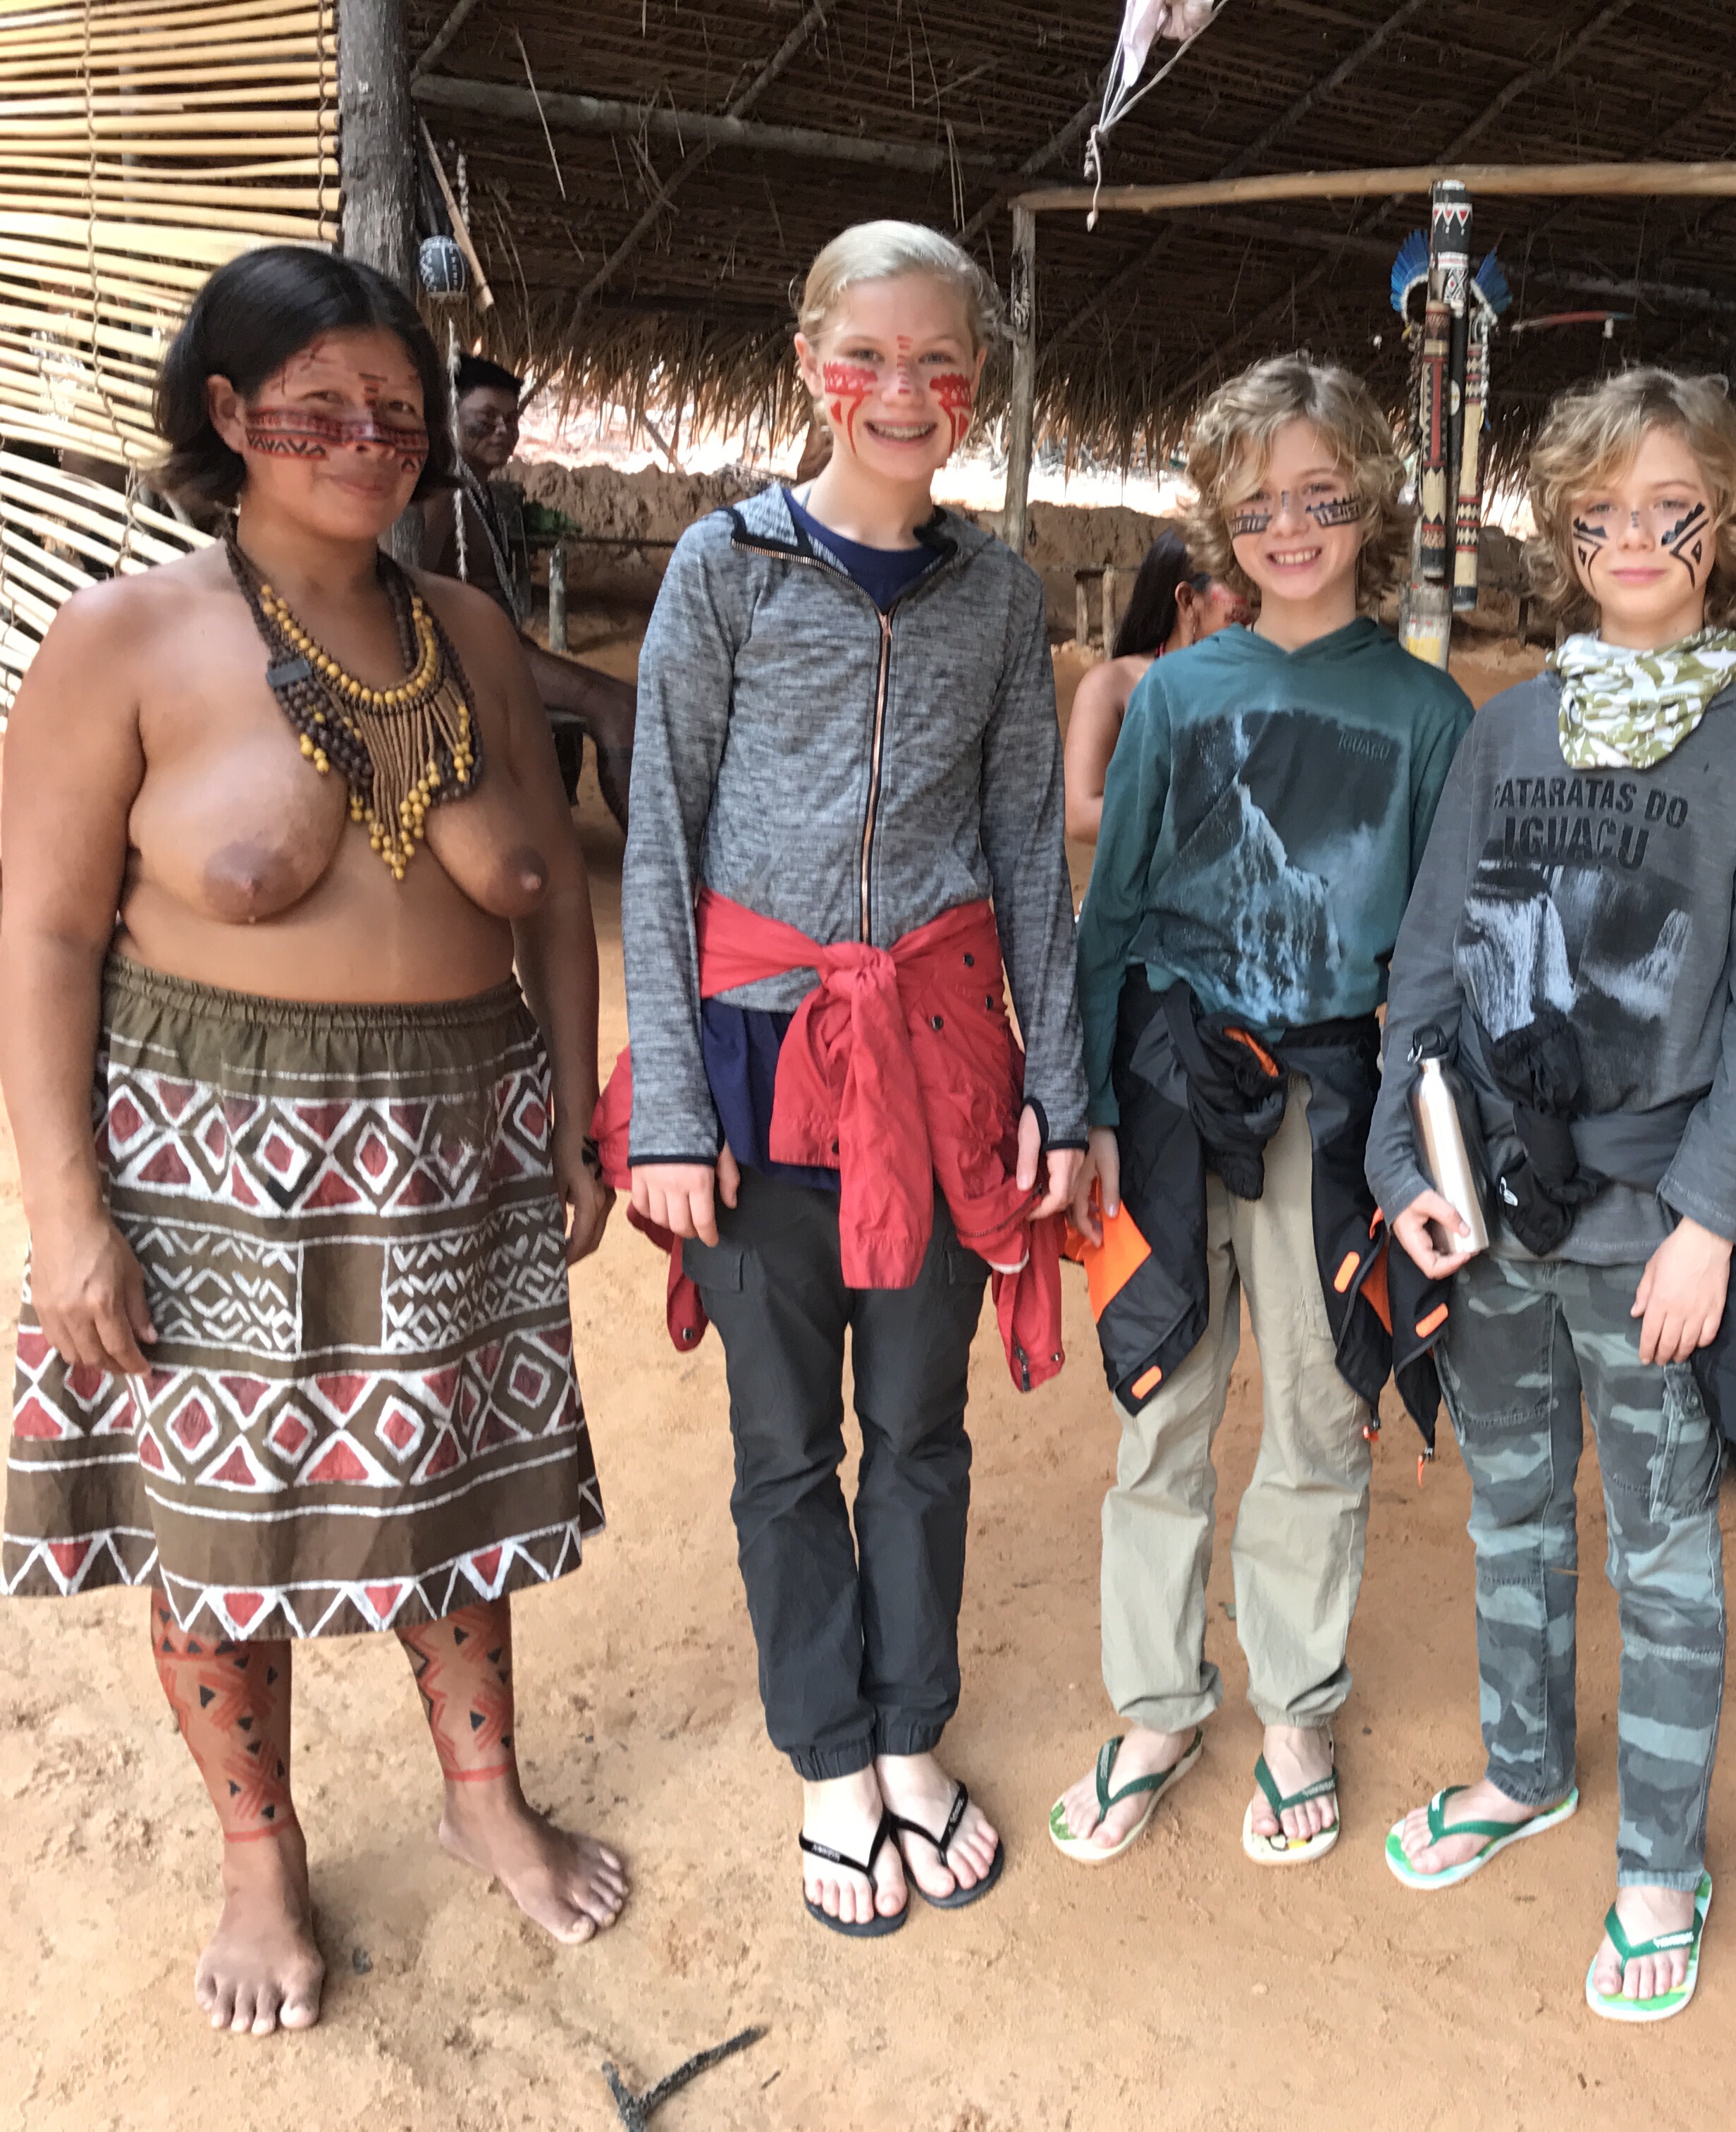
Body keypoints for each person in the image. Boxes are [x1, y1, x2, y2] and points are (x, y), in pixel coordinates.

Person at [0, 245, 623, 2036]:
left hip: (458, 1142)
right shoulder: (125, 640)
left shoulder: (473, 636)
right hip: (208, 1154)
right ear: (226, 415)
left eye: (396, 413)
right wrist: (66, 1211)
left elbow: (552, 909)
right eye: (317, 409)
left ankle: (483, 1797)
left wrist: (573, 1114)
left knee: (457, 1491)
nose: (367, 441)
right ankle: (259, 1860)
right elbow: (42, 932)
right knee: (220, 1525)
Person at [619, 220, 1085, 1938]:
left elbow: (1028, 853)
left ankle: (909, 1733)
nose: (903, 389)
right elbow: (657, 847)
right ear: (809, 360)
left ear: (980, 388)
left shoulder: (1001, 595)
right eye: (868, 355)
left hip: (941, 1068)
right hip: (759, 1068)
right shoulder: (725, 568)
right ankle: (828, 1752)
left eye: (939, 362)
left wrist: (1062, 1092)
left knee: (922, 1427)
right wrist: (673, 1112)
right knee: (781, 1441)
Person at [1371, 367, 1736, 2022]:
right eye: (1599, 514)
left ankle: (1660, 1865)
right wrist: (1403, 1164)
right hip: (1493, 1203)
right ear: (1564, 536)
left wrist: (1715, 1220)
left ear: (1725, 522)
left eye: (1669, 509)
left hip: (1652, 1230)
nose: (1634, 539)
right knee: (1508, 1503)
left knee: (1662, 1550)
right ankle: (1522, 1769)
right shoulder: (1508, 727)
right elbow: (1431, 961)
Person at [1053, 353, 1470, 1870]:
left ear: (1373, 506)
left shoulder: (1426, 713)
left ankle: (1295, 1705)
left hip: (1330, 1099)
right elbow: (1112, 911)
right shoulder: (1178, 694)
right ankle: (1157, 1704)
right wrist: (1091, 1100)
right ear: (1219, 523)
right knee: (1162, 1403)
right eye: (1258, 505)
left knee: (1314, 1405)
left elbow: (1436, 956)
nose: (1290, 527)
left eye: (1320, 497)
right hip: (1168, 1087)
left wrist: (1414, 1142)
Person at [414, 354, 636, 823]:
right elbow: (412, 586)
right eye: (486, 418)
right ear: (450, 414)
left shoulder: (474, 489)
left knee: (620, 701)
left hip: (499, 647)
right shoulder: (443, 494)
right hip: (468, 656)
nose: (503, 430)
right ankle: (648, 854)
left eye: (511, 420)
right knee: (618, 708)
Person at [1062, 530, 1248, 843]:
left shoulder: (1260, 685)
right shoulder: (1112, 686)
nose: (1251, 628)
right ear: (1187, 600)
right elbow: (1081, 815)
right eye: (1237, 620)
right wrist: (1212, 818)